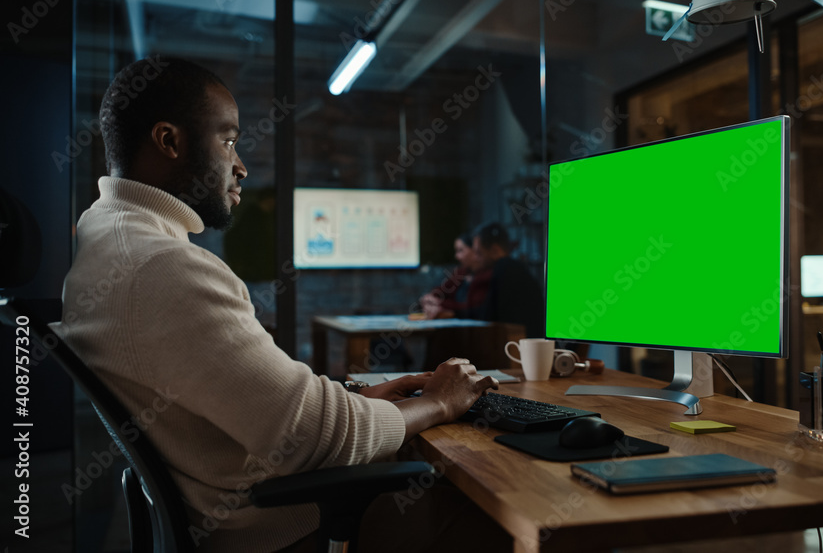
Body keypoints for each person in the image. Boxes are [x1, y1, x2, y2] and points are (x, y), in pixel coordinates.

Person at [54, 57, 500, 553]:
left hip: (235, 504)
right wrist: (438, 403)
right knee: (492, 513)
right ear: (169, 141)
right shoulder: (161, 267)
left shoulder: (106, 238)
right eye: (228, 140)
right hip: (278, 528)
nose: (240, 165)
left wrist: (363, 400)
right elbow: (313, 438)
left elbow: (261, 409)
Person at [467, 222, 544, 338]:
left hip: (520, 345)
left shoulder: (503, 268)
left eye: (479, 253)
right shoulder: (513, 267)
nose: (475, 258)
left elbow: (488, 316)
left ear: (494, 250)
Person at [420, 232, 491, 319]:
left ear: (475, 250)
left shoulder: (487, 275)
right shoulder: (461, 273)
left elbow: (472, 308)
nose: (456, 256)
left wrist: (439, 304)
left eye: (460, 250)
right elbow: (440, 291)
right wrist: (429, 299)